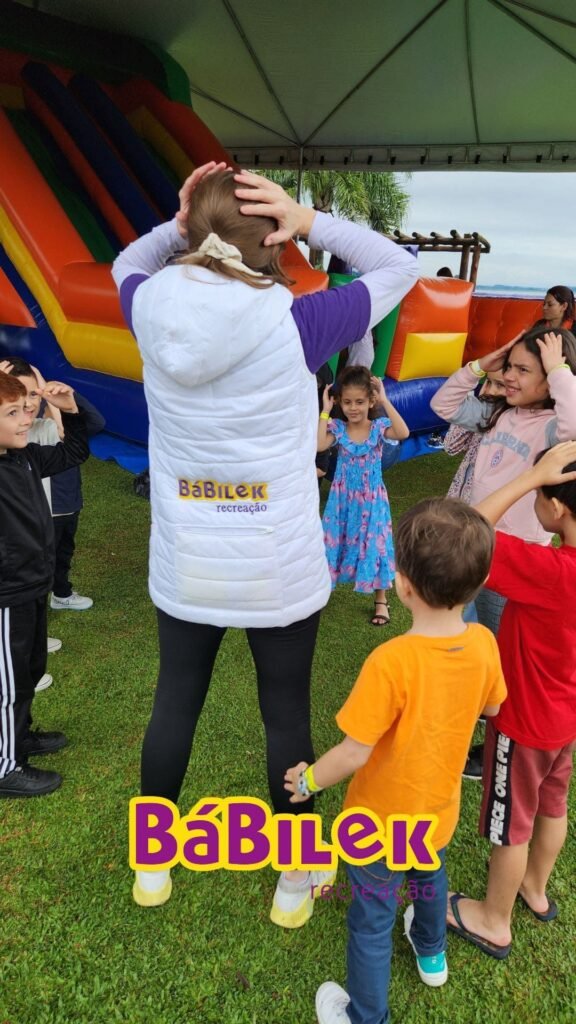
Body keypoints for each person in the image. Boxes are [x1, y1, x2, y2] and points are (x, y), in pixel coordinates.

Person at [111, 162, 418, 912]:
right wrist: (307, 220)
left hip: (189, 559)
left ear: (194, 231)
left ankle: (153, 871)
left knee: (173, 703)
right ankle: (292, 881)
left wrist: (177, 224)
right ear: (268, 237)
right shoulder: (298, 319)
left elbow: (127, 262)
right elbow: (399, 265)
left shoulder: (150, 304)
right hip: (274, 563)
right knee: (285, 716)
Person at [284, 498, 507, 1024]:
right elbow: (494, 706)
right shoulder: (483, 644)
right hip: (438, 810)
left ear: (402, 585)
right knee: (430, 878)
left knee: (371, 919)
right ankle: (432, 954)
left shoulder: (391, 662)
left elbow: (355, 751)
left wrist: (308, 778)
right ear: (479, 583)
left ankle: (367, 1014)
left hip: (378, 824)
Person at [447, 442, 576, 959]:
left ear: (558, 508)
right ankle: (536, 889)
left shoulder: (553, 574)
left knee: (512, 824)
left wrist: (529, 478)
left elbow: (467, 532)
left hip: (523, 722)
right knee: (552, 805)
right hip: (565, 720)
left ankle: (493, 919)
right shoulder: (556, 565)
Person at [431, 326, 576, 778]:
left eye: (522, 370)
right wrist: (481, 366)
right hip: (475, 549)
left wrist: (559, 370)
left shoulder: (554, 430)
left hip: (516, 563)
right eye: (509, 366)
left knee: (505, 660)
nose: (510, 377)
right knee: (468, 640)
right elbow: (444, 405)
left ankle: (489, 747)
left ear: (550, 382)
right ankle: (474, 706)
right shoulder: (498, 415)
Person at [0, 373, 89, 798]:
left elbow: (75, 449)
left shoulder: (26, 457)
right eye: (12, 413)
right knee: (7, 683)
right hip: (6, 597)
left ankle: (21, 736)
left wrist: (70, 407)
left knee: (31, 671)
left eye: (25, 408)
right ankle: (5, 765)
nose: (25, 419)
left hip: (33, 587)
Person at [319, 366, 409, 626]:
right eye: (347, 402)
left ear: (370, 401)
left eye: (359, 401)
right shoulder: (337, 427)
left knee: (376, 545)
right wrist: (325, 410)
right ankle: (324, 589)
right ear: (339, 402)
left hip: (372, 500)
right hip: (342, 500)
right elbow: (318, 444)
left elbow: (403, 433)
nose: (353, 408)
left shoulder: (379, 427)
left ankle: (381, 600)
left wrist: (385, 400)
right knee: (335, 540)